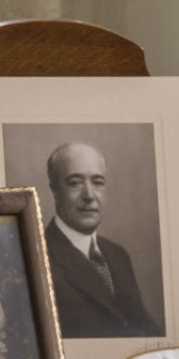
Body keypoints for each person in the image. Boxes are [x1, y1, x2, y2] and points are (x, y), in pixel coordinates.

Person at [40, 141, 157, 337]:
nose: (89, 195)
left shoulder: (117, 254)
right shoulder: (38, 258)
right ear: (55, 191)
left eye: (97, 182)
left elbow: (145, 326)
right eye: (75, 183)